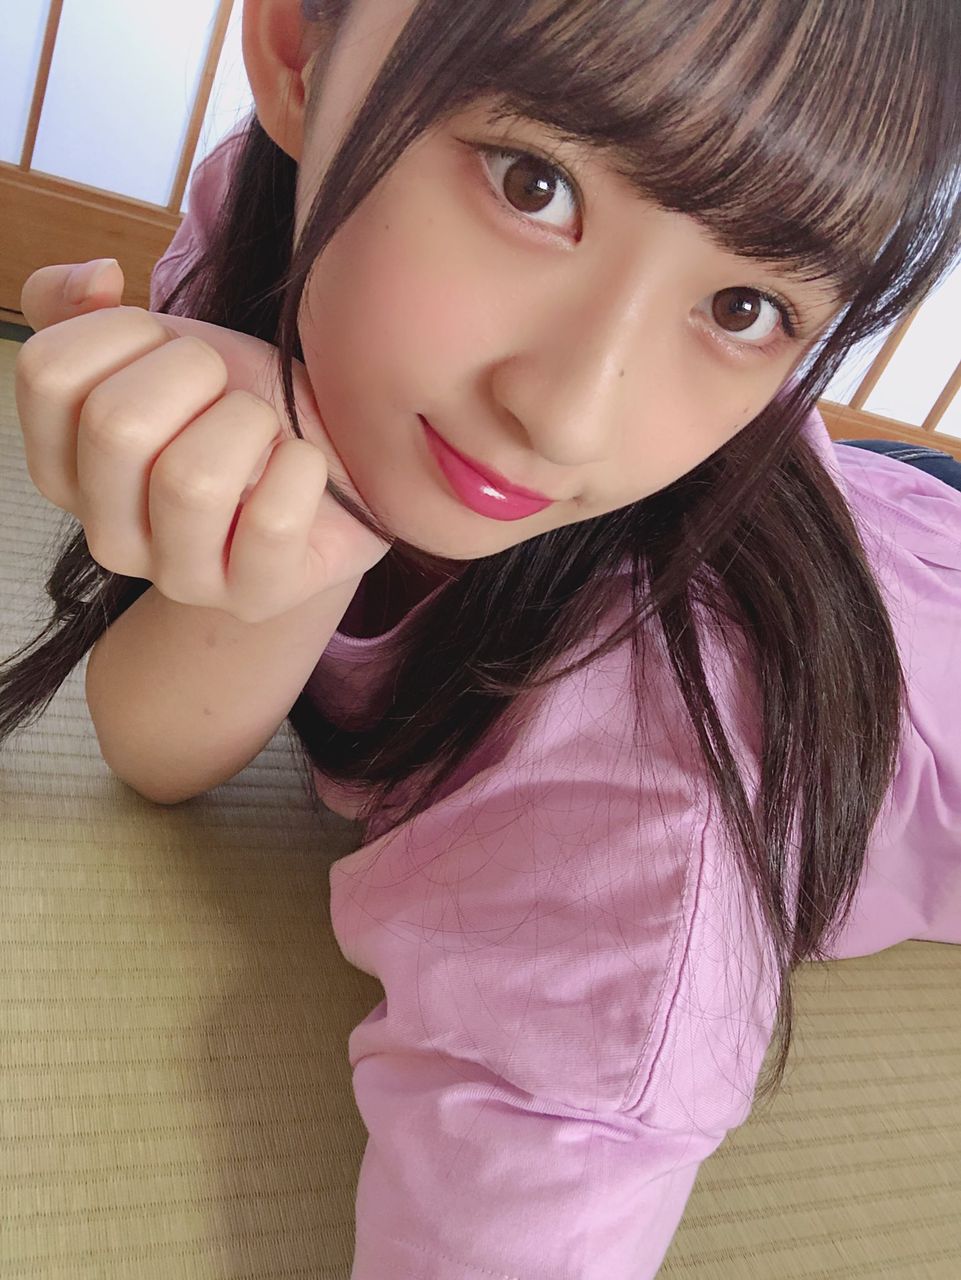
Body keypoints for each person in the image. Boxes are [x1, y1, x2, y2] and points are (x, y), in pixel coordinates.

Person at [6, 2, 961, 1276]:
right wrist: (296, 508)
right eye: (533, 182)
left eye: (744, 305)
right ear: (297, 55)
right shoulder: (270, 208)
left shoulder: (642, 783)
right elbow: (157, 749)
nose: (566, 418)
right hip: (889, 500)